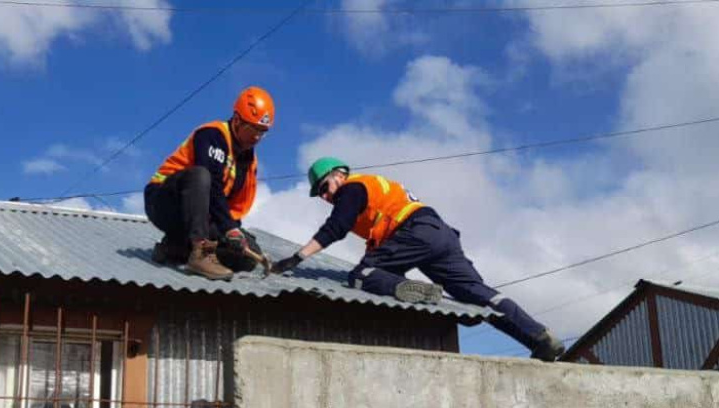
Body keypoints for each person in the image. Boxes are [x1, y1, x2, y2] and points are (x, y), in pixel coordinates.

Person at [271, 157, 565, 361]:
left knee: (360, 275)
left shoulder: (353, 188)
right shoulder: (377, 193)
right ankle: (539, 338)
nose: (324, 196)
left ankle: (407, 289)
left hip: (415, 231)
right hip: (441, 234)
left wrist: (296, 258)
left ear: (339, 174)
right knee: (479, 294)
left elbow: (336, 227)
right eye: (319, 194)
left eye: (324, 187)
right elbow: (380, 247)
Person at [144, 86, 274, 281]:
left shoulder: (249, 162)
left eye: (262, 132)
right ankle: (201, 252)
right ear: (237, 120)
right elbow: (211, 185)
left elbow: (233, 209)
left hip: (201, 216)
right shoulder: (212, 135)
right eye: (253, 130)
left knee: (247, 254)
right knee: (201, 175)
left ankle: (174, 248)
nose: (257, 137)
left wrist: (233, 231)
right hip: (165, 202)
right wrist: (227, 228)